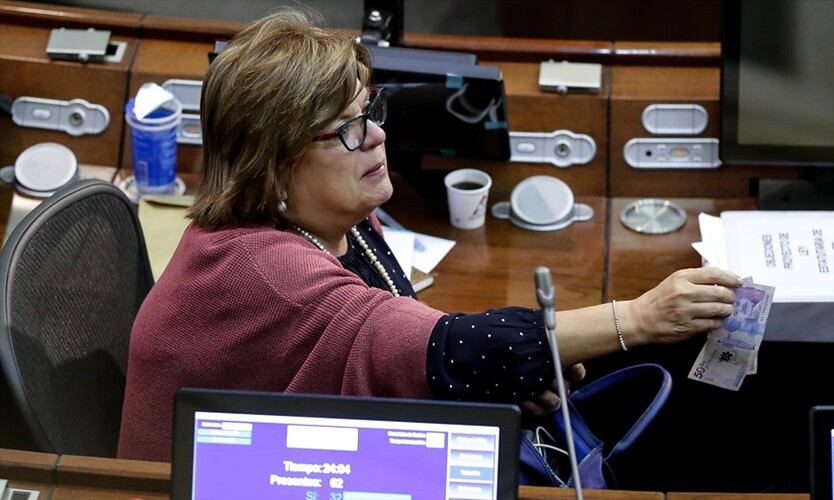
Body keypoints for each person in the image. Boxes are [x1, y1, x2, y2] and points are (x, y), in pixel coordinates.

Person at [117, 8, 741, 462]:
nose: (377, 136)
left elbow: (405, 339)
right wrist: (641, 316)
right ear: (274, 162)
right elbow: (450, 346)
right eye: (346, 130)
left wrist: (494, 385)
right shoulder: (264, 273)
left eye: (370, 113)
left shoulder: (331, 219)